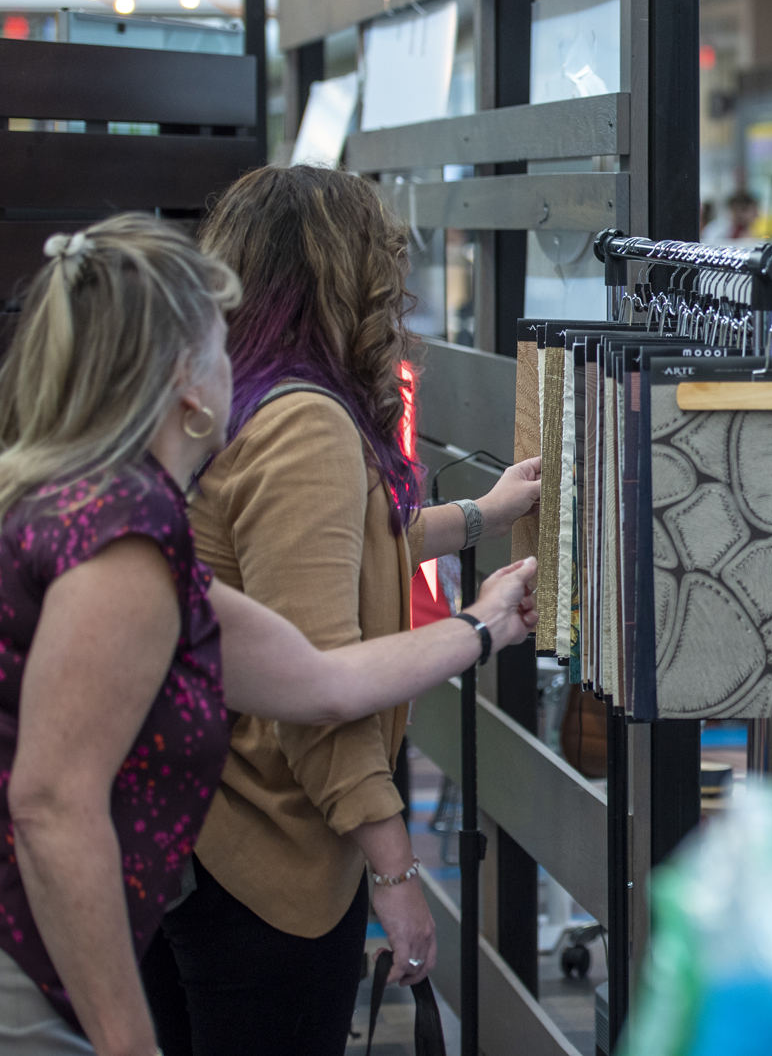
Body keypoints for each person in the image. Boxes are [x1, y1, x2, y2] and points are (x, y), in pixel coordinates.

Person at [0, 215, 536, 1056]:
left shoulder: (109, 509)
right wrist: (124, 1040)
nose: (238, 361)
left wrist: (484, 624)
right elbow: (51, 805)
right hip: (30, 973)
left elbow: (318, 679)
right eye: (221, 344)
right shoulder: (122, 541)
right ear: (187, 387)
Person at [139, 166, 543, 1055]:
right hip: (264, 859)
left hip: (192, 840)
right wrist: (396, 874)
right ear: (345, 276)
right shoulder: (305, 425)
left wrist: (484, 513)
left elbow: (332, 547)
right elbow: (322, 688)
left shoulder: (226, 402)